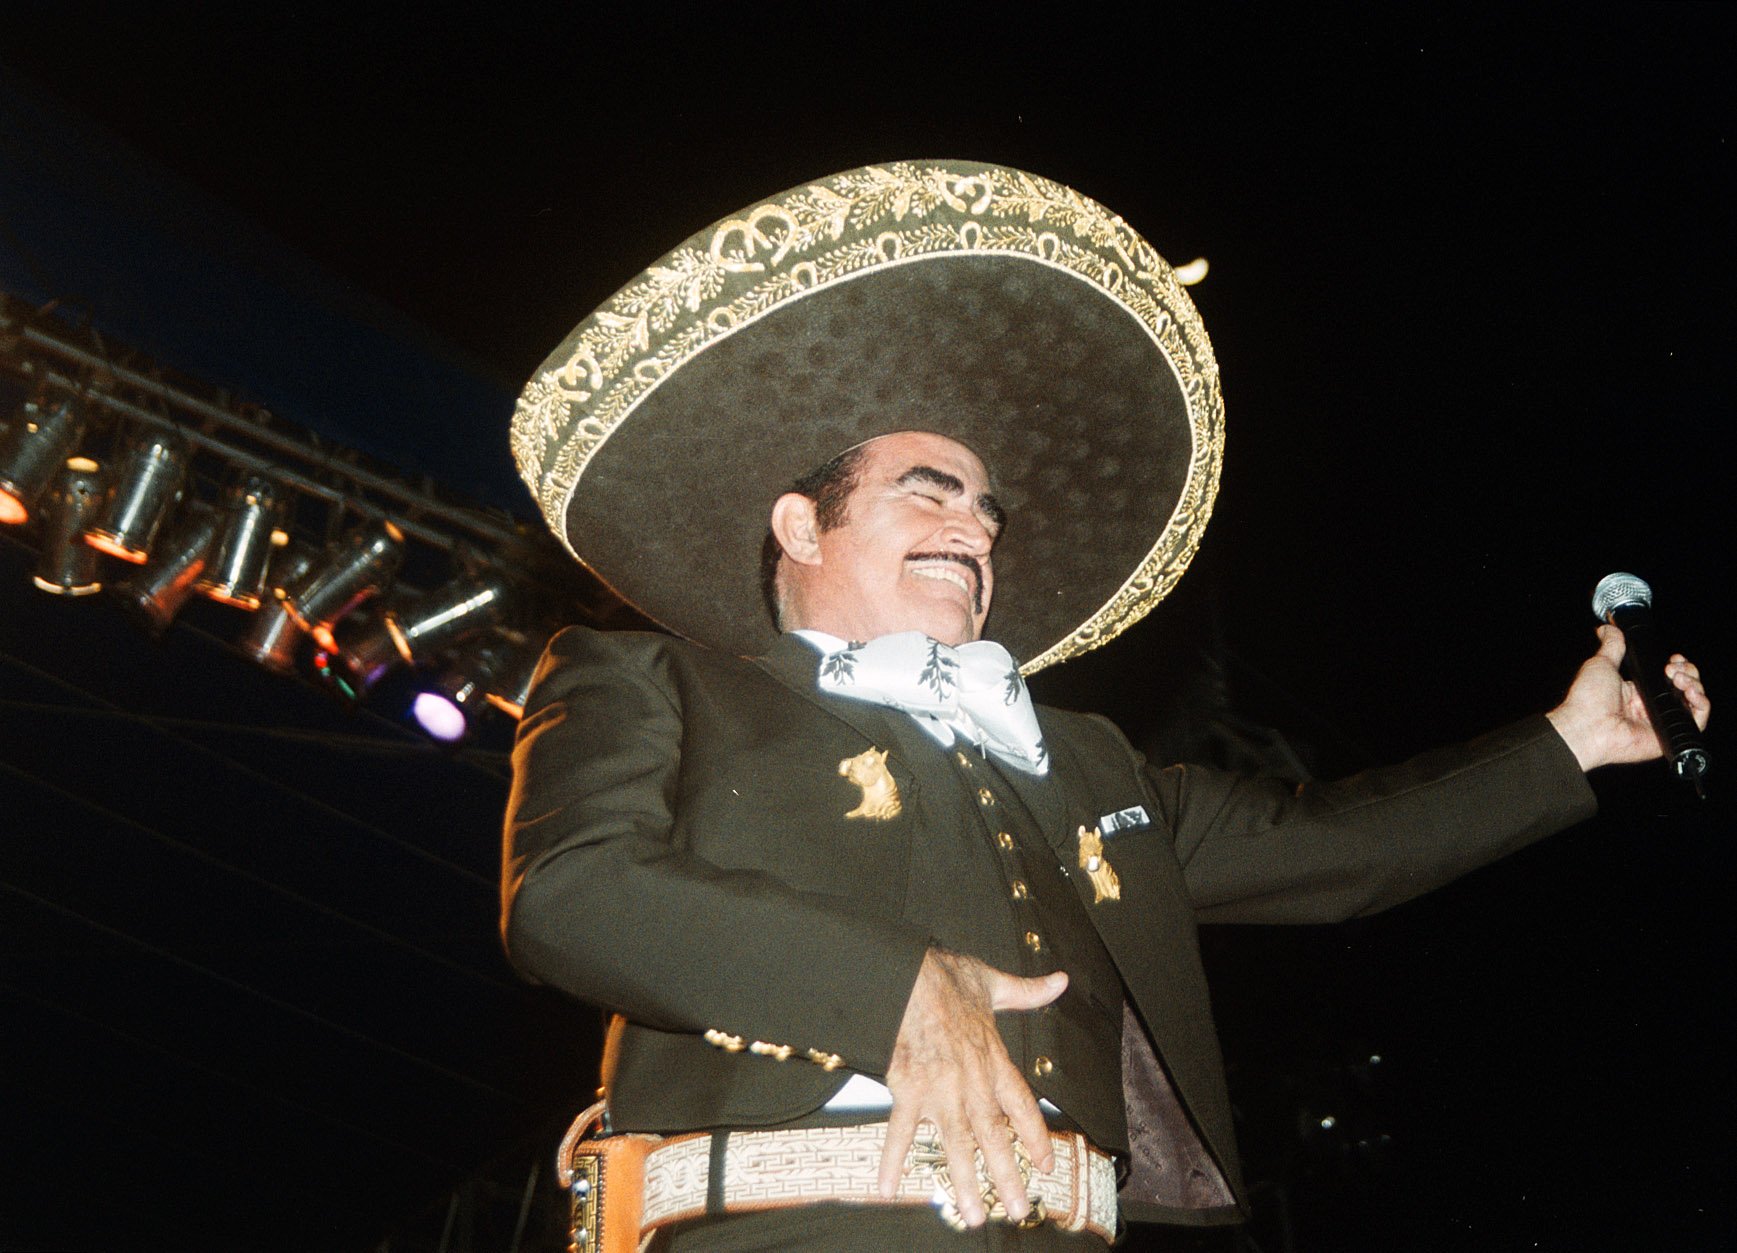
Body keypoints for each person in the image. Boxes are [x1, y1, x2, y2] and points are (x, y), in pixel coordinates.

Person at [499, 162, 1708, 1250]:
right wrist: (895, 988)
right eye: (929, 495)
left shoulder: (1088, 764)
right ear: (802, 524)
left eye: (986, 513)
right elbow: (570, 894)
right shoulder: (648, 680)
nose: (973, 528)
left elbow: (1339, 844)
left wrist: (1577, 739)